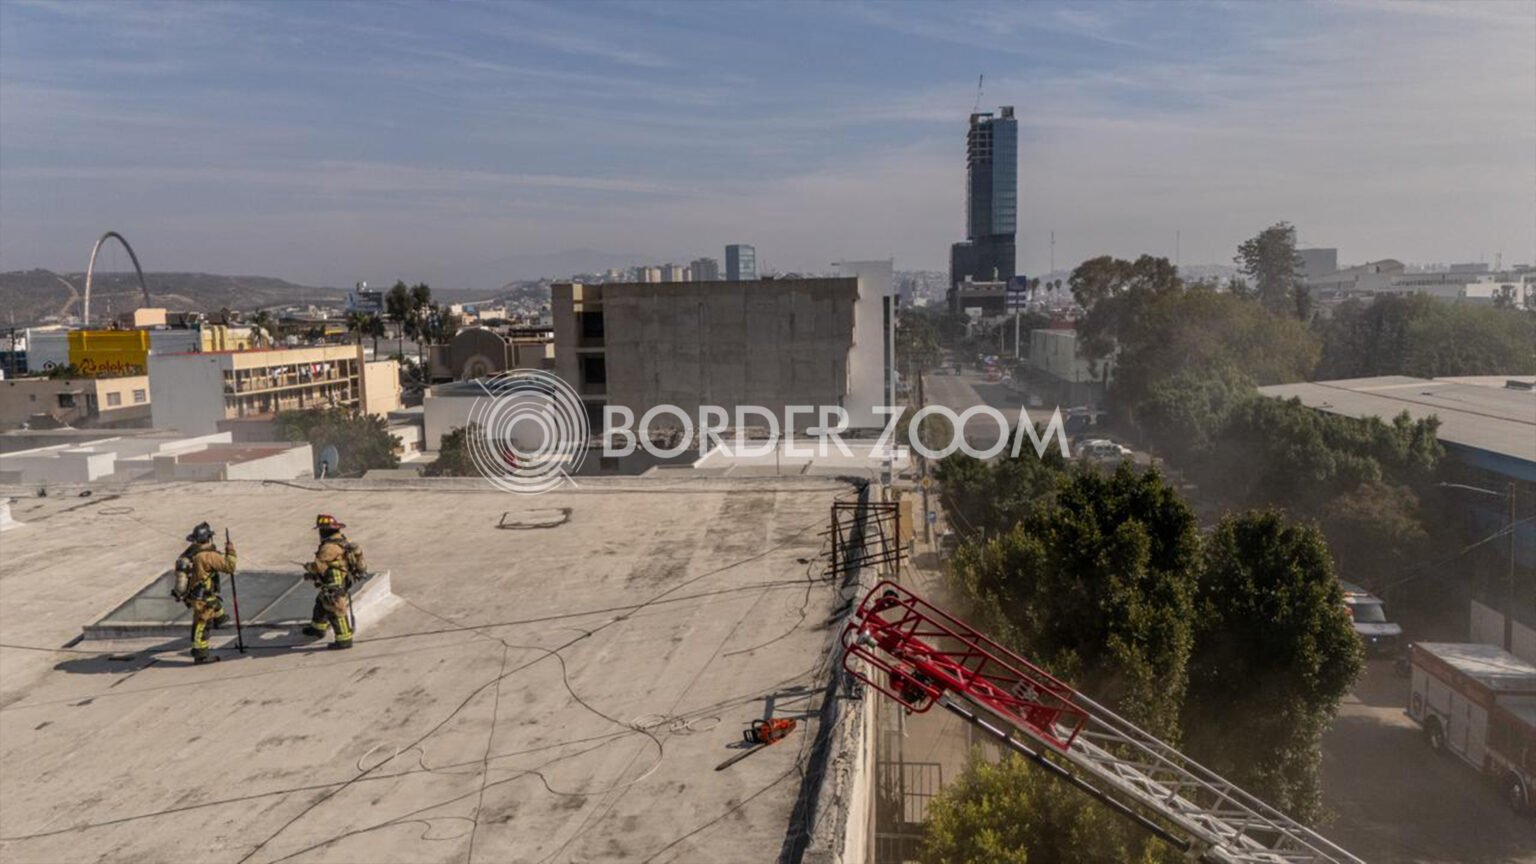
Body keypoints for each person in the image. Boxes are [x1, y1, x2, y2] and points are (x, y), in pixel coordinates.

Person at [172, 521, 237, 664]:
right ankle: (200, 654)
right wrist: (230, 551)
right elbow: (230, 566)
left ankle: (219, 619)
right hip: (204, 597)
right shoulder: (209, 555)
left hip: (194, 594)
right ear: (209, 538)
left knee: (216, 605)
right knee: (202, 625)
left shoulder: (192, 553)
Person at [302, 514, 365, 649]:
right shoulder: (341, 540)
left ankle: (344, 640)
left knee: (335, 610)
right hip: (341, 579)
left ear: (324, 531)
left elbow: (318, 566)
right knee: (321, 602)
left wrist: (308, 568)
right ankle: (318, 628)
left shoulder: (329, 547)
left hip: (334, 583)